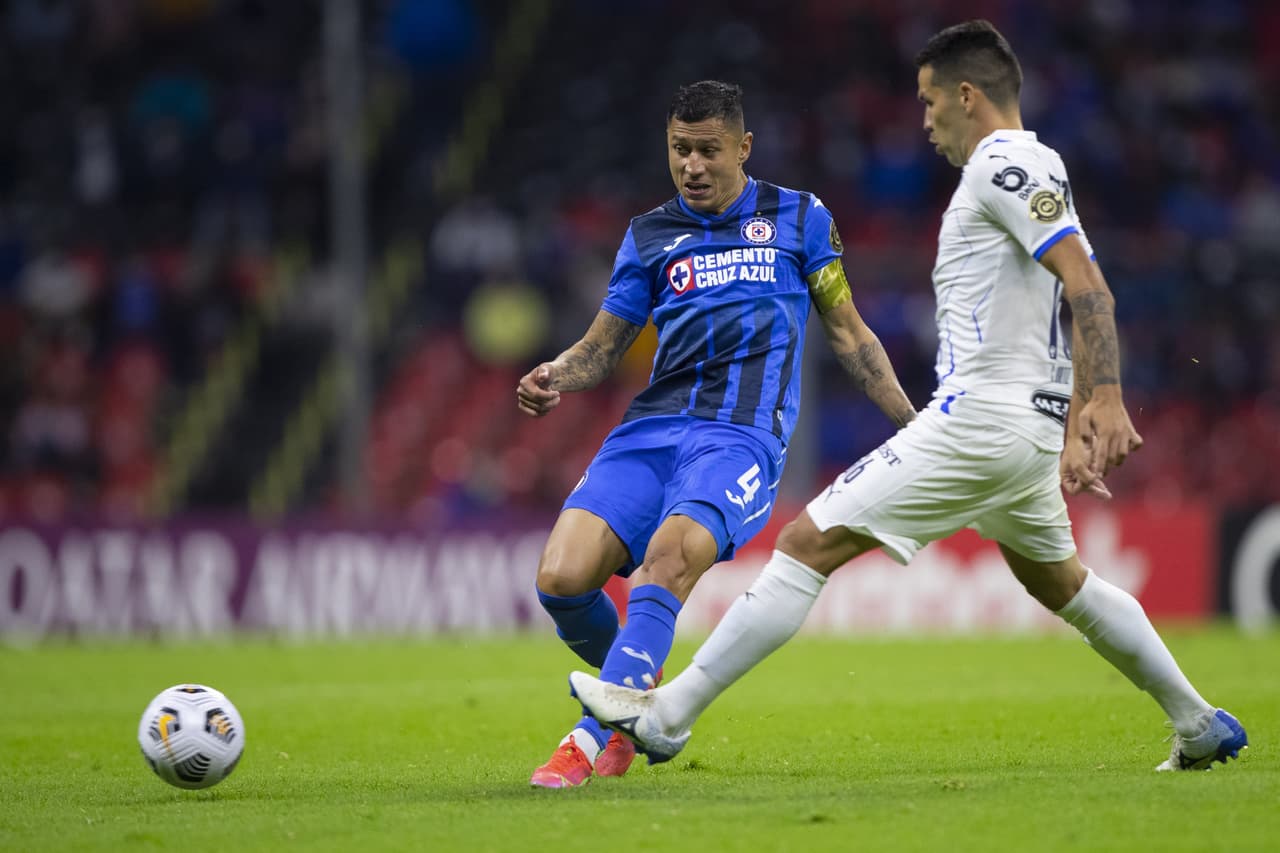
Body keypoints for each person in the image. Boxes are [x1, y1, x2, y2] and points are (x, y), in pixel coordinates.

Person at [570, 21, 1248, 773]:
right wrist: (1075, 409)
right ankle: (1197, 720)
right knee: (1063, 583)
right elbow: (1063, 290)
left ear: (966, 95)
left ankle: (666, 712)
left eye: (929, 104)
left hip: (982, 418)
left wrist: (1109, 399)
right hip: (1025, 427)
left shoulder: (999, 167)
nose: (924, 124)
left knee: (805, 544)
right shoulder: (1039, 163)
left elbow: (1089, 287)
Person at [516, 80, 916, 788]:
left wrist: (915, 427)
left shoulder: (800, 219)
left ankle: (585, 741)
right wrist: (554, 373)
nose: (692, 165)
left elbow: (851, 335)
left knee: (665, 560)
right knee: (560, 579)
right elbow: (603, 347)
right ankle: (640, 684)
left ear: (743, 147)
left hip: (740, 438)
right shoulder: (649, 235)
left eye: (707, 151)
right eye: (679, 150)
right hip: (652, 429)